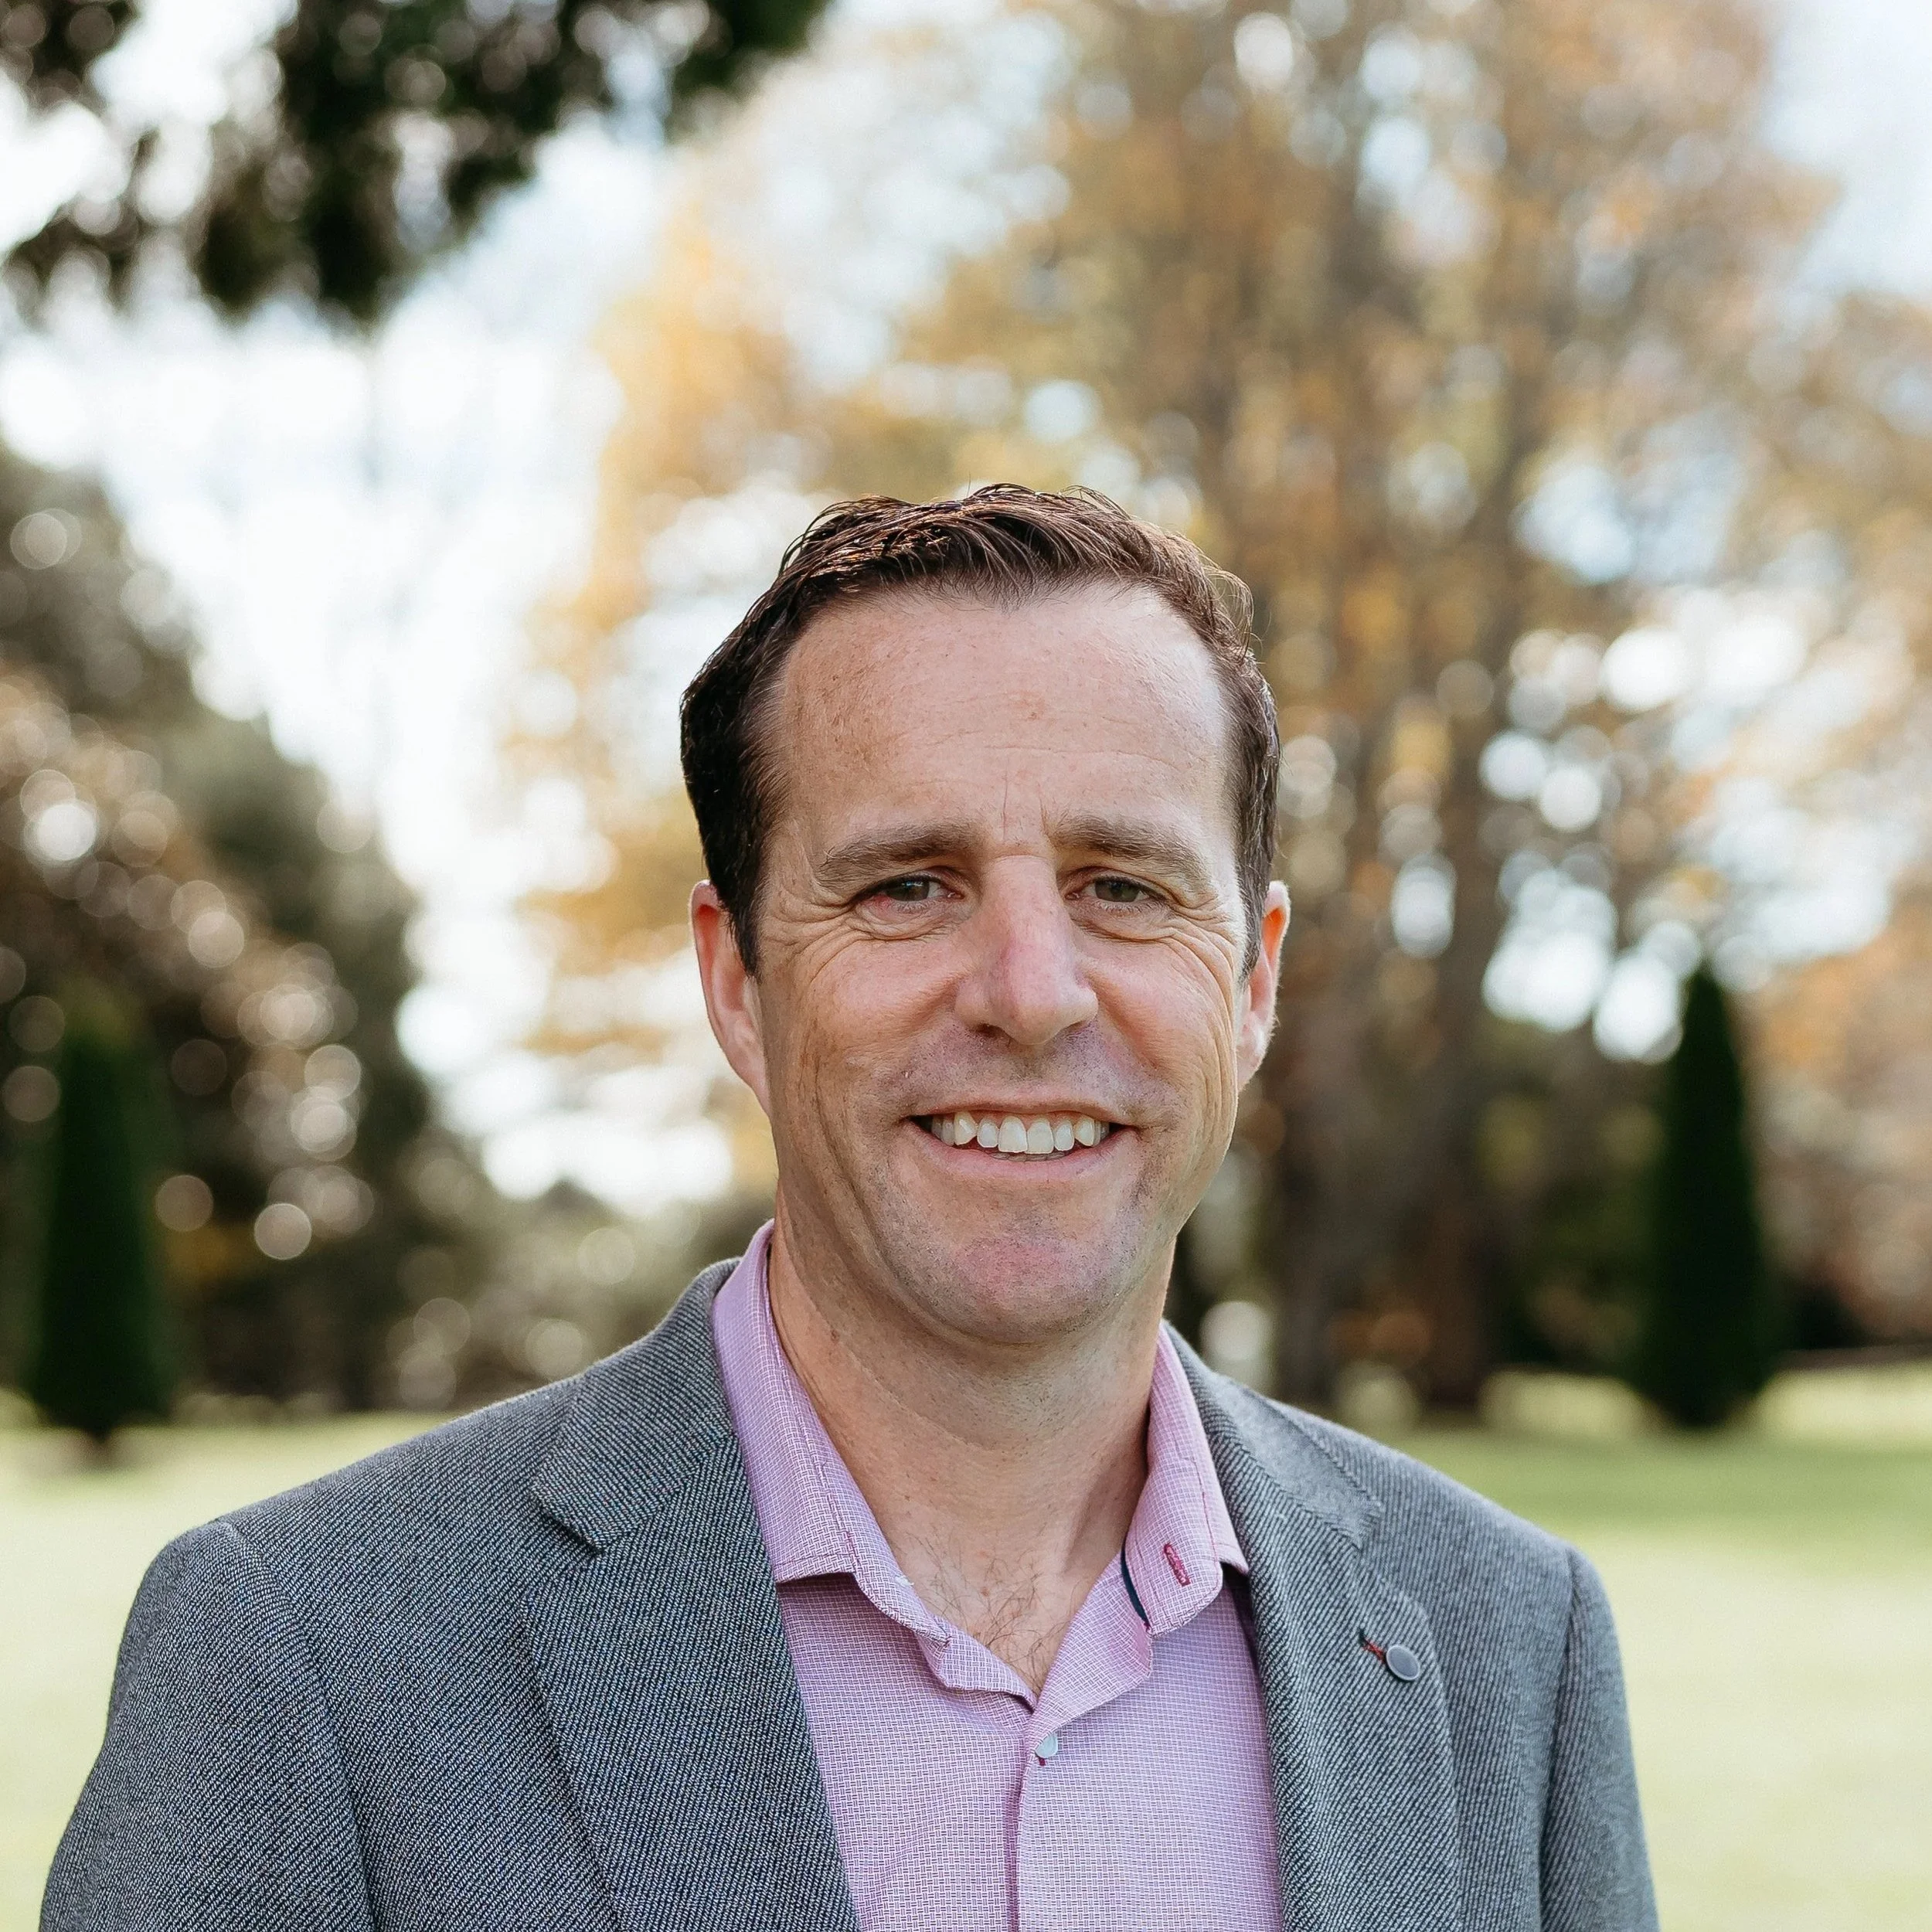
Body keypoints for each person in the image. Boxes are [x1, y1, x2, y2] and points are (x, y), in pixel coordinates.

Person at [45, 487, 1655, 1931]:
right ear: (736, 980)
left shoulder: (1509, 1647)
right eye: (906, 885)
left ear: (1249, 981)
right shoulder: (302, 1655)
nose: (1030, 992)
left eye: (1123, 885)